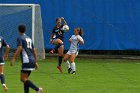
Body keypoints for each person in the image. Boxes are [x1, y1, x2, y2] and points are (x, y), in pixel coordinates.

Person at [11, 25, 42, 93]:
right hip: (32, 60)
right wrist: (35, 61)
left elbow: (20, 48)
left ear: (19, 30)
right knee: (25, 79)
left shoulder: (20, 38)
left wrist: (13, 58)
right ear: (25, 30)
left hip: (26, 60)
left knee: (22, 79)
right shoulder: (29, 38)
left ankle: (38, 89)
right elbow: (34, 50)